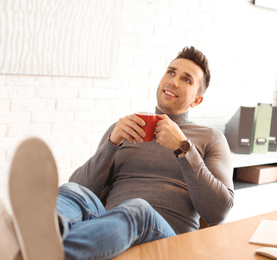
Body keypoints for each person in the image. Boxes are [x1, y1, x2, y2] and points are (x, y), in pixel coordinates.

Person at [1, 46, 234, 260]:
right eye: (171, 72)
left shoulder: (209, 138)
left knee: (138, 208)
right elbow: (84, 188)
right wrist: (112, 144)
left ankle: (36, 253)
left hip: (166, 238)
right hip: (108, 229)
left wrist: (183, 148)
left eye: (186, 79)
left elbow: (218, 211)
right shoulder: (124, 128)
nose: (173, 81)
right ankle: (31, 241)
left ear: (197, 100)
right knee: (71, 190)